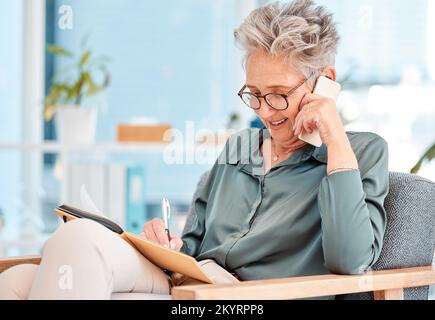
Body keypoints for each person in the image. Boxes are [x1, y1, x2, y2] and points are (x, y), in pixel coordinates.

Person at [0, 0, 388, 299]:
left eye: (279, 96)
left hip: (237, 297)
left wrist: (334, 137)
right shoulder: (240, 148)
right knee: (17, 280)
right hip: (188, 282)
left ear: (325, 82)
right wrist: (165, 245)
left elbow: (350, 260)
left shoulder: (360, 153)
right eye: (254, 95)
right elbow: (193, 246)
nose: (265, 112)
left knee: (77, 243)